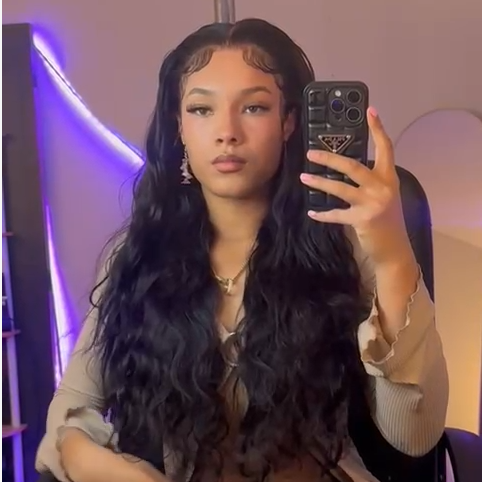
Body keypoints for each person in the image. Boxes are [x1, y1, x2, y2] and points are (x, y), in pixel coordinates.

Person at [36, 18, 448, 482]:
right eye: (201, 109)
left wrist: (392, 253)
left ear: (289, 122)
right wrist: (90, 457)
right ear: (178, 126)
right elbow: (70, 413)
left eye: (254, 107)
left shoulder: (347, 245)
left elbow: (415, 435)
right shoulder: (138, 257)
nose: (227, 132)